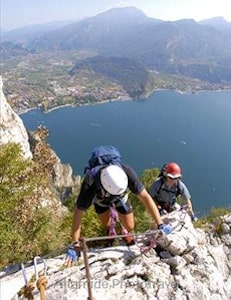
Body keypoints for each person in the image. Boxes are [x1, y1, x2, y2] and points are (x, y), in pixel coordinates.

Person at [64, 149, 172, 267]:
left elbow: (145, 197)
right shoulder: (90, 183)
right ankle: (111, 232)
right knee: (107, 224)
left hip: (120, 198)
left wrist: (160, 223)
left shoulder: (126, 172)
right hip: (101, 200)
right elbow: (78, 212)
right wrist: (74, 244)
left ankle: (124, 232)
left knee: (130, 226)